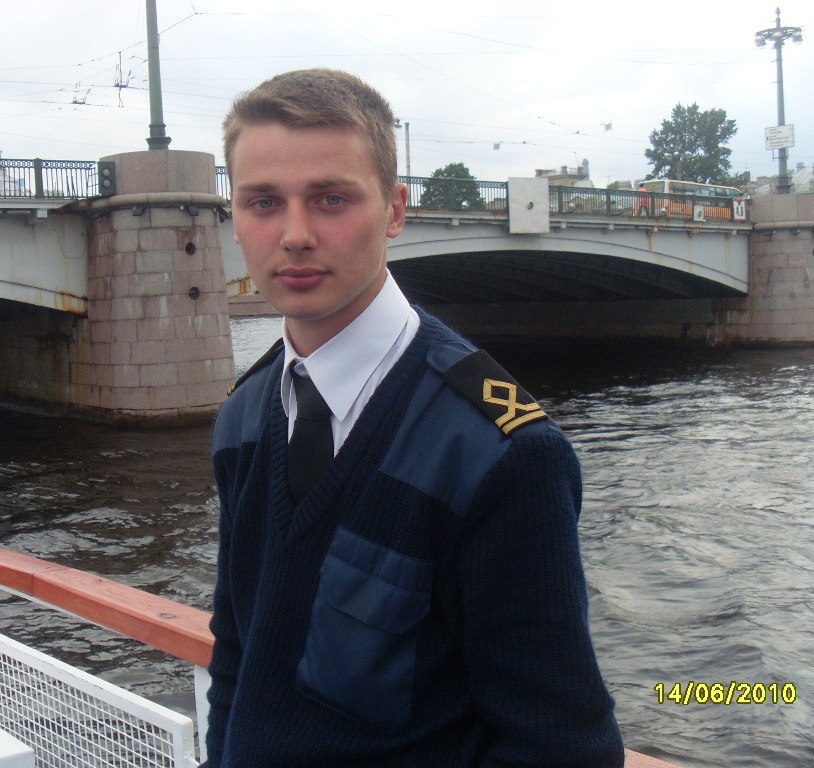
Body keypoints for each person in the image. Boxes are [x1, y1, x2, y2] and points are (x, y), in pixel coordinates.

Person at [206, 68, 623, 767]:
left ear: (395, 210)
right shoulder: (243, 419)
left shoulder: (494, 451)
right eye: (264, 202)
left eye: (332, 199)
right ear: (235, 216)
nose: (295, 234)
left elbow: (558, 744)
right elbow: (237, 657)